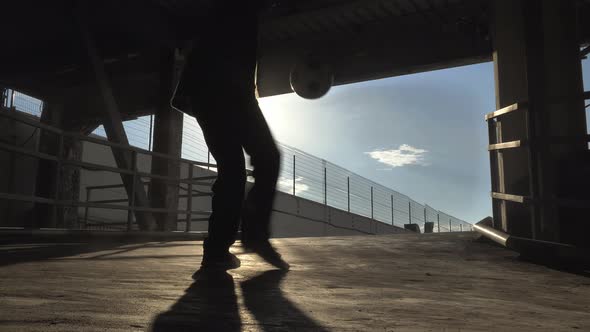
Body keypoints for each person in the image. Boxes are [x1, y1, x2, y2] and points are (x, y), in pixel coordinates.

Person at [173, 1, 289, 271]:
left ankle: (218, 249)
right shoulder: (236, 11)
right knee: (265, 158)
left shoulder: (240, 15)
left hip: (210, 92)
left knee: (234, 170)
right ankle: (253, 235)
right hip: (225, 90)